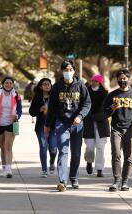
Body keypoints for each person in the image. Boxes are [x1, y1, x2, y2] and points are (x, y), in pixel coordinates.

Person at [44, 59, 91, 192]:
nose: (68, 72)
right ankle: (62, 181)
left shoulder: (81, 86)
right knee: (63, 152)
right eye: (66, 70)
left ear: (74, 71)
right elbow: (52, 107)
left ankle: (74, 178)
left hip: (77, 124)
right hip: (62, 124)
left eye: (70, 70)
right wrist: (47, 124)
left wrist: (80, 116)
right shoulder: (57, 87)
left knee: (76, 153)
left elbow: (87, 104)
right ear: (62, 71)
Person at [104, 68, 132, 192]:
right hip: (116, 129)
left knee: (128, 157)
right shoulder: (112, 95)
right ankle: (116, 181)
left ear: (129, 79)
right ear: (117, 80)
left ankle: (125, 182)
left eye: (124, 79)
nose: (122, 81)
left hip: (130, 130)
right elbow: (105, 113)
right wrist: (112, 108)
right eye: (120, 79)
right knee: (116, 154)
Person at [0, 76, 22, 178]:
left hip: (11, 124)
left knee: (8, 147)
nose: (8, 85)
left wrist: (17, 115)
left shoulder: (16, 96)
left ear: (13, 84)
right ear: (3, 84)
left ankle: (8, 169)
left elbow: (19, 110)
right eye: (6, 83)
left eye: (10, 83)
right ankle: (3, 168)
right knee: (2, 147)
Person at [29, 78, 57, 177]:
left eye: (48, 84)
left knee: (53, 148)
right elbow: (31, 112)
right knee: (43, 147)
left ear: (51, 85)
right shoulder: (37, 97)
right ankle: (44, 170)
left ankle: (52, 162)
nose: (46, 86)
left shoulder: (55, 96)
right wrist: (39, 109)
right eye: (44, 84)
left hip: (53, 126)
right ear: (41, 86)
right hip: (41, 126)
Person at [83, 74, 110, 177]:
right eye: (92, 81)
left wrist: (102, 115)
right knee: (89, 146)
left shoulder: (105, 93)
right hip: (88, 121)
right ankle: (89, 162)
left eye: (96, 81)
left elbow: (108, 109)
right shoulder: (86, 92)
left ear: (99, 82)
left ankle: (99, 169)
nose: (93, 83)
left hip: (101, 123)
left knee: (100, 147)